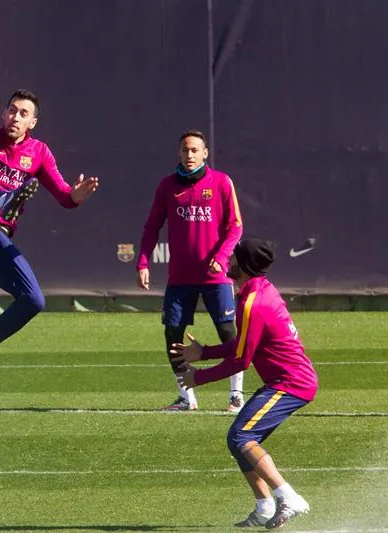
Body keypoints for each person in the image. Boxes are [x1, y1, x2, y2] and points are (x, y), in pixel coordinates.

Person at [0, 77, 99, 400]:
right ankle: (4, 200)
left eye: (23, 113)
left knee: (33, 300)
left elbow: (64, 196)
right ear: (3, 114)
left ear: (33, 122)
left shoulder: (38, 153)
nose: (15, 117)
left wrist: (77, 194)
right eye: (11, 110)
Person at [170, 238, 317, 529]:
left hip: (291, 384)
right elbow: (244, 343)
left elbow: (240, 361)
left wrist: (197, 377)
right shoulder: (254, 292)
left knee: (241, 437)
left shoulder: (253, 302)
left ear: (245, 265)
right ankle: (264, 506)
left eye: (234, 256)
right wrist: (206, 352)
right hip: (283, 381)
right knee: (238, 440)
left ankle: (288, 496)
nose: (228, 260)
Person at [136, 130, 244, 412]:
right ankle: (187, 398)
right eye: (185, 150)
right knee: (173, 333)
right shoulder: (167, 186)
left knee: (227, 331)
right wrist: (143, 262)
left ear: (205, 153)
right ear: (179, 153)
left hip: (216, 276)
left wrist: (222, 257)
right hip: (180, 277)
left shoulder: (221, 182)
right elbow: (151, 227)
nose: (190, 155)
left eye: (195, 150)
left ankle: (236, 395)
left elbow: (235, 227)